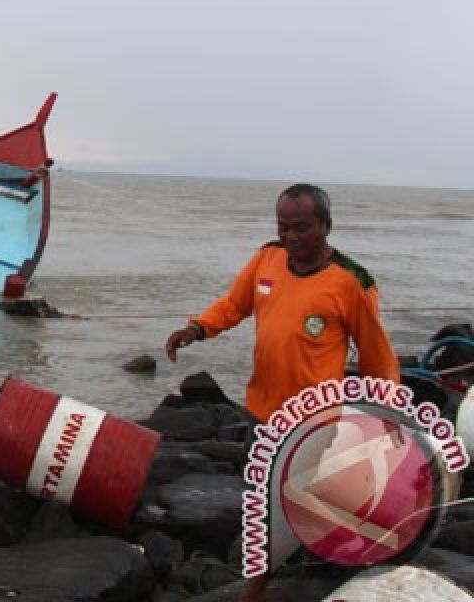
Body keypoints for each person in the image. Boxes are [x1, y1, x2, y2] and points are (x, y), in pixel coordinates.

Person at [164, 183, 400, 601]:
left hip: (314, 420)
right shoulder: (267, 258)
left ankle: (257, 588)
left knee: (279, 504)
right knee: (284, 497)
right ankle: (319, 552)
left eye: (302, 228)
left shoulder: (352, 282)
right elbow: (234, 305)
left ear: (326, 226)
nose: (291, 237)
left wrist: (386, 417)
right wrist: (197, 328)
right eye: (284, 227)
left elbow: (377, 356)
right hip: (262, 411)